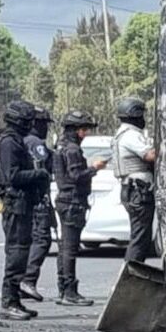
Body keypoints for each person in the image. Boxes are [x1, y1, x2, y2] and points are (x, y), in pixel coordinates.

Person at [0, 100, 51, 321]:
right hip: (15, 205)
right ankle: (8, 303)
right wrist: (39, 174)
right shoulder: (9, 142)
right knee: (16, 254)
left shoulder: (17, 140)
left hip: (23, 204)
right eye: (28, 121)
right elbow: (12, 176)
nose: (31, 125)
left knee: (22, 252)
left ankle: (15, 300)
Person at [53, 111, 107, 306]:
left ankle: (64, 289)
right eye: (83, 129)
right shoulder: (72, 150)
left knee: (65, 248)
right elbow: (76, 176)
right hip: (72, 201)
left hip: (66, 200)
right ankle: (69, 291)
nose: (86, 133)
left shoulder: (61, 147)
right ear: (74, 130)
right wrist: (94, 168)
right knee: (70, 248)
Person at [19, 107, 56, 303]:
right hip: (38, 199)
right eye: (43, 124)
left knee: (27, 241)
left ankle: (20, 281)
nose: (46, 128)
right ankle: (28, 279)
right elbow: (42, 168)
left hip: (26, 200)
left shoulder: (21, 140)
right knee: (42, 239)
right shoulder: (35, 143)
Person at [112, 97, 156, 262]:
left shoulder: (121, 134)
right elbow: (149, 156)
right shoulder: (131, 135)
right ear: (136, 116)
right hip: (139, 190)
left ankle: (133, 271)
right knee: (140, 237)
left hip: (133, 189)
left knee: (140, 235)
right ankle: (131, 273)